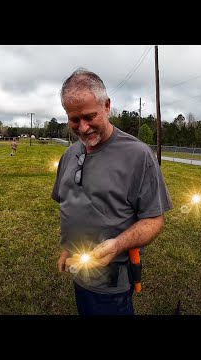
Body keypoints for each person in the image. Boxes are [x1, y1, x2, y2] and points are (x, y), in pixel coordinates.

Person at [51, 68, 173, 315]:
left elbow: (154, 220)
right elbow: (73, 205)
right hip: (79, 274)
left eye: (89, 116)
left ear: (106, 106)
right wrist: (68, 247)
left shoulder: (138, 155)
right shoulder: (69, 155)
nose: (83, 128)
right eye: (74, 119)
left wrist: (117, 245)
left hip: (112, 283)